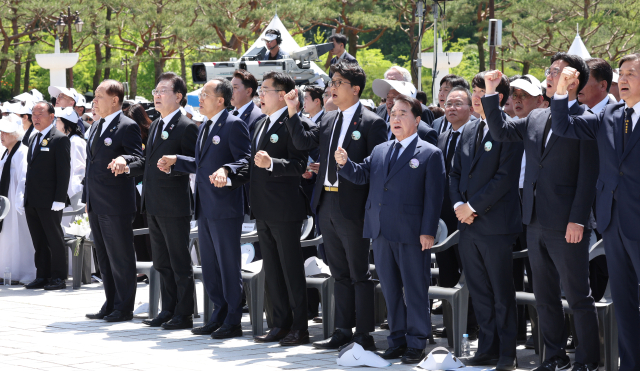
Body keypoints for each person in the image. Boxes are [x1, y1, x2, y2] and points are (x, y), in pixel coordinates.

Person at [483, 57, 601, 371]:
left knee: (577, 295)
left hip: (568, 223)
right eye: (549, 71)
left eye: (557, 72)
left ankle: (587, 359)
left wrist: (578, 218)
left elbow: (589, 175)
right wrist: (492, 93)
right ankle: (555, 356)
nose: (549, 76)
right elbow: (500, 130)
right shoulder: (537, 116)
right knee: (544, 295)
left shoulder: (586, 119)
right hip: (534, 220)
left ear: (574, 80)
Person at [283, 61, 387, 351]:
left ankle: (364, 334)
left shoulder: (372, 122)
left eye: (337, 82)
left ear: (355, 89)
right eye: (331, 82)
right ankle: (343, 329)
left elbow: (374, 169)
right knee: (338, 272)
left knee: (359, 274)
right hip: (326, 202)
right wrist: (293, 110)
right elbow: (304, 142)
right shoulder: (328, 119)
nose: (332, 87)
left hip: (353, 206)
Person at [335, 94, 445, 364]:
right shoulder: (382, 149)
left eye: (402, 113)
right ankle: (396, 339)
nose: (395, 118)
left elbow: (434, 198)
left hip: (412, 232)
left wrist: (428, 231)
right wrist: (344, 164)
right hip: (381, 230)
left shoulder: (430, 153)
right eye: (392, 113)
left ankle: (417, 341)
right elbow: (362, 175)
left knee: (415, 288)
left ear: (417, 120)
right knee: (391, 288)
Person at [550, 53, 640, 371]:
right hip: (612, 222)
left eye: (632, 73)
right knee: (625, 304)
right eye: (623, 73)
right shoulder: (609, 115)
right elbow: (563, 125)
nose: (625, 78)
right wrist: (563, 90)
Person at [158, 78, 250, 339]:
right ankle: (218, 315)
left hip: (224, 207)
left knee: (228, 265)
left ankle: (234, 319)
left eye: (205, 94)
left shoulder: (234, 124)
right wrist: (177, 160)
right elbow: (202, 165)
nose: (200, 99)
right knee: (210, 266)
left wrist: (227, 170)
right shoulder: (205, 126)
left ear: (220, 100)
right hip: (205, 208)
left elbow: (245, 161)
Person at [230, 71, 312, 346]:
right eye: (260, 90)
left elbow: (300, 165)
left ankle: (300, 327)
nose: (260, 95)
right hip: (262, 208)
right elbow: (252, 166)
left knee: (291, 269)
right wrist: (228, 175)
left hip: (285, 208)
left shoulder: (293, 123)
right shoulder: (260, 124)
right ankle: (279, 323)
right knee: (273, 270)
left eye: (265, 90)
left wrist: (273, 164)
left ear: (282, 95)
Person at [113, 73, 199, 330]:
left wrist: (176, 163)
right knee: (161, 262)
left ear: (178, 96)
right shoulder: (157, 126)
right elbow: (147, 164)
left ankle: (184, 313)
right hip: (153, 204)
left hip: (174, 205)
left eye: (163, 91)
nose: (157, 95)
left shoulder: (186, 126)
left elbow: (197, 163)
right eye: (156, 90)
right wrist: (126, 164)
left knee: (179, 261)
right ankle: (168, 309)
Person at [449, 78, 524, 370]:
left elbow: (505, 178)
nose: (477, 97)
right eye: (475, 92)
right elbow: (454, 173)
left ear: (497, 96)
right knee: (479, 290)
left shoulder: (509, 128)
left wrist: (473, 206)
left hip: (496, 225)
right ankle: (487, 348)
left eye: (483, 92)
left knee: (501, 292)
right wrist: (459, 206)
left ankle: (507, 352)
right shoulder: (468, 129)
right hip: (468, 225)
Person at [84, 80, 143, 323]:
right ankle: (110, 302)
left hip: (116, 203)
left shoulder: (127, 125)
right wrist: (88, 199)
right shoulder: (97, 126)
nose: (94, 101)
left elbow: (139, 159)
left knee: (120, 256)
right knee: (104, 258)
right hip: (96, 202)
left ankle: (124, 306)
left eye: (99, 96)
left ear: (115, 100)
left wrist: (124, 161)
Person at [435, 87, 479, 339]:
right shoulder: (442, 137)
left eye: (458, 104)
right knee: (447, 269)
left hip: (467, 214)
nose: (451, 108)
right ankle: (451, 323)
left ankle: (471, 323)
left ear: (471, 108)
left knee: (469, 270)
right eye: (448, 104)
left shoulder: (476, 136)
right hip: (444, 216)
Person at [23, 102, 71, 291]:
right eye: (33, 114)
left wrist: (60, 198)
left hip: (50, 200)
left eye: (40, 114)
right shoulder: (34, 137)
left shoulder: (59, 139)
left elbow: (63, 171)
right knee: (38, 239)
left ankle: (58, 277)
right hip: (32, 198)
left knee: (54, 238)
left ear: (52, 116)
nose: (35, 117)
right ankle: (42, 275)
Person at [0, 118, 35, 284]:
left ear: (15, 134)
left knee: (19, 234)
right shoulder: (5, 152)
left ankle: (20, 271)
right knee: (6, 235)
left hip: (15, 199)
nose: (2, 135)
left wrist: (20, 198)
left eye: (6, 132)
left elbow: (24, 177)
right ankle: (6, 269)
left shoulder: (22, 151)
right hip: (5, 198)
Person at [124, 104, 152, 263]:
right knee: (136, 227)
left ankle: (154, 266)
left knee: (149, 229)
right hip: (133, 188)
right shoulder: (129, 137)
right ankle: (142, 264)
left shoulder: (150, 136)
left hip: (147, 188)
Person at [372, 79, 437, 145]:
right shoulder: (384, 128)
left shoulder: (424, 133)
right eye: (388, 97)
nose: (389, 101)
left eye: (394, 97)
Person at [54, 107, 86, 222]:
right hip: (67, 193)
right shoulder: (67, 140)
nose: (55, 124)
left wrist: (73, 194)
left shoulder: (76, 141)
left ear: (66, 123)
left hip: (74, 194)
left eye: (58, 120)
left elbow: (79, 169)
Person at [230, 69, 266, 136]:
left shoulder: (258, 117)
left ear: (248, 91)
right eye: (230, 87)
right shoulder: (228, 115)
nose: (230, 92)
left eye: (235, 87)